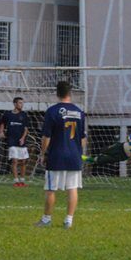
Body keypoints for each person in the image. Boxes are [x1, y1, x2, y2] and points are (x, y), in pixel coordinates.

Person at [36, 81, 86, 229]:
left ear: (56, 93)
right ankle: (68, 220)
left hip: (57, 155)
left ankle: (46, 219)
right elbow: (83, 138)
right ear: (70, 93)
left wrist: (42, 153)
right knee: (72, 188)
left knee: (51, 189)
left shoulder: (52, 111)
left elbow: (46, 137)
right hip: (74, 156)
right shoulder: (79, 112)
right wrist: (79, 153)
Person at [0, 97, 30, 187]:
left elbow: (26, 128)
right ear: (15, 104)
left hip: (21, 141)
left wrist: (23, 138)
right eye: (20, 103)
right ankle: (16, 181)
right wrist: (1, 131)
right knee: (15, 161)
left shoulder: (24, 115)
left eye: (22, 103)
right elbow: (2, 123)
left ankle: (22, 181)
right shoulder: (8, 114)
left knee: (24, 161)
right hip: (11, 140)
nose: (22, 104)